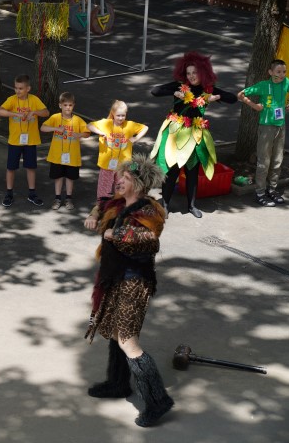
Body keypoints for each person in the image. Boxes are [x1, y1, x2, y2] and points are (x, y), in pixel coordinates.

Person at [83, 154, 174, 428]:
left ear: (139, 184)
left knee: (127, 340)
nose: (119, 181)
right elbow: (100, 205)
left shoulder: (150, 212)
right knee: (114, 332)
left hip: (134, 281)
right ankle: (118, 383)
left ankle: (158, 402)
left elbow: (150, 240)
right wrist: (93, 216)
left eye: (125, 178)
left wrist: (116, 234)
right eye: (120, 176)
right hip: (114, 277)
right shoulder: (118, 202)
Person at [150, 51, 237, 218]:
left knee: (192, 171)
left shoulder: (207, 89)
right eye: (188, 73)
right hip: (176, 132)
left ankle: (191, 206)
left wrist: (216, 97)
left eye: (195, 72)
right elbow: (155, 91)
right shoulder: (180, 86)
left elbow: (232, 98)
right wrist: (174, 93)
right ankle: (165, 205)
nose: (191, 76)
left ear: (202, 72)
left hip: (195, 134)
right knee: (172, 170)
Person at [238, 59, 289, 207]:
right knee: (264, 162)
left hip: (281, 127)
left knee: (277, 160)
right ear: (270, 72)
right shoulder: (263, 85)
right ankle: (260, 192)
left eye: (284, 72)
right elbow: (242, 94)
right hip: (266, 128)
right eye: (278, 72)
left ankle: (272, 189)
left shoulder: (286, 83)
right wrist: (250, 102)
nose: (281, 75)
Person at [0, 74, 49, 207]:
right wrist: (15, 114)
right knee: (11, 167)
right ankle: (9, 193)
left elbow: (46, 112)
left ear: (28, 89)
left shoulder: (34, 99)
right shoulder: (12, 100)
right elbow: (0, 111)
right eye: (16, 88)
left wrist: (35, 112)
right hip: (15, 141)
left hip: (30, 141)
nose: (17, 91)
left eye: (20, 88)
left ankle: (32, 193)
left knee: (31, 167)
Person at [87, 100, 148, 204]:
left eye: (123, 115)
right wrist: (101, 132)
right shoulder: (105, 123)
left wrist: (136, 138)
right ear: (113, 113)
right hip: (106, 164)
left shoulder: (130, 125)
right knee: (104, 186)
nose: (120, 118)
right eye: (118, 115)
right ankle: (102, 205)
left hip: (122, 165)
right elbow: (89, 125)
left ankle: (118, 204)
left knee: (120, 186)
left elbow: (145, 127)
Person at [40, 92, 90, 210]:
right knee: (58, 177)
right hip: (57, 155)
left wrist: (79, 134)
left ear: (73, 106)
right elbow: (42, 128)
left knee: (70, 177)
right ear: (60, 105)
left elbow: (87, 133)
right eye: (65, 105)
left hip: (72, 156)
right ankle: (57, 198)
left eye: (70, 105)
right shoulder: (55, 118)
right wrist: (55, 128)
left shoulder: (78, 120)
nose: (68, 107)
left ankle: (68, 198)